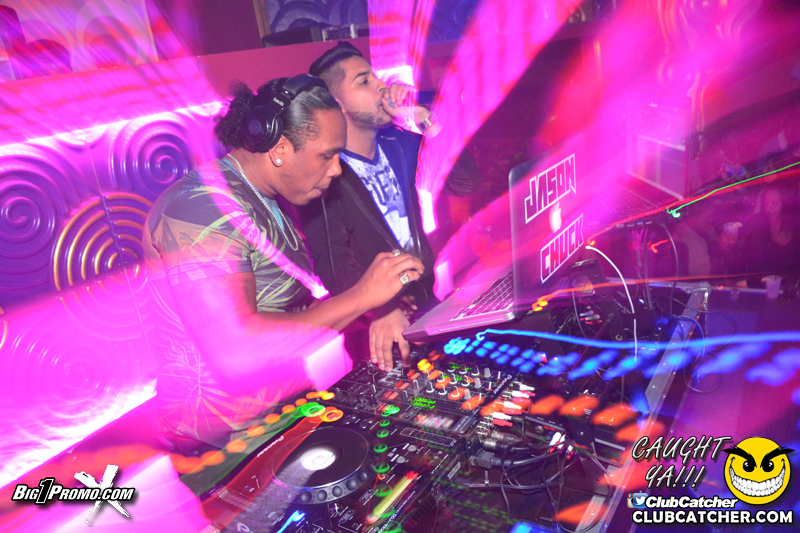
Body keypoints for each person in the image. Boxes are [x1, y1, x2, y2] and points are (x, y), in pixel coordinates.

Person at [143, 75, 424, 451]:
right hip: (218, 446)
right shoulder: (200, 207)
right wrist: (362, 296)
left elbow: (283, 313)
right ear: (278, 150)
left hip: (279, 418)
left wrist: (375, 312)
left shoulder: (268, 196)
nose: (337, 169)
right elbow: (236, 353)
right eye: (327, 155)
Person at [300, 42, 480, 371]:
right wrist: (380, 308)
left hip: (429, 305)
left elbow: (466, 182)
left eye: (376, 76)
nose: (381, 86)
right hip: (381, 331)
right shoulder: (325, 174)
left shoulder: (401, 144)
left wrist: (424, 119)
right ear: (337, 105)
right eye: (364, 81)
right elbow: (333, 261)